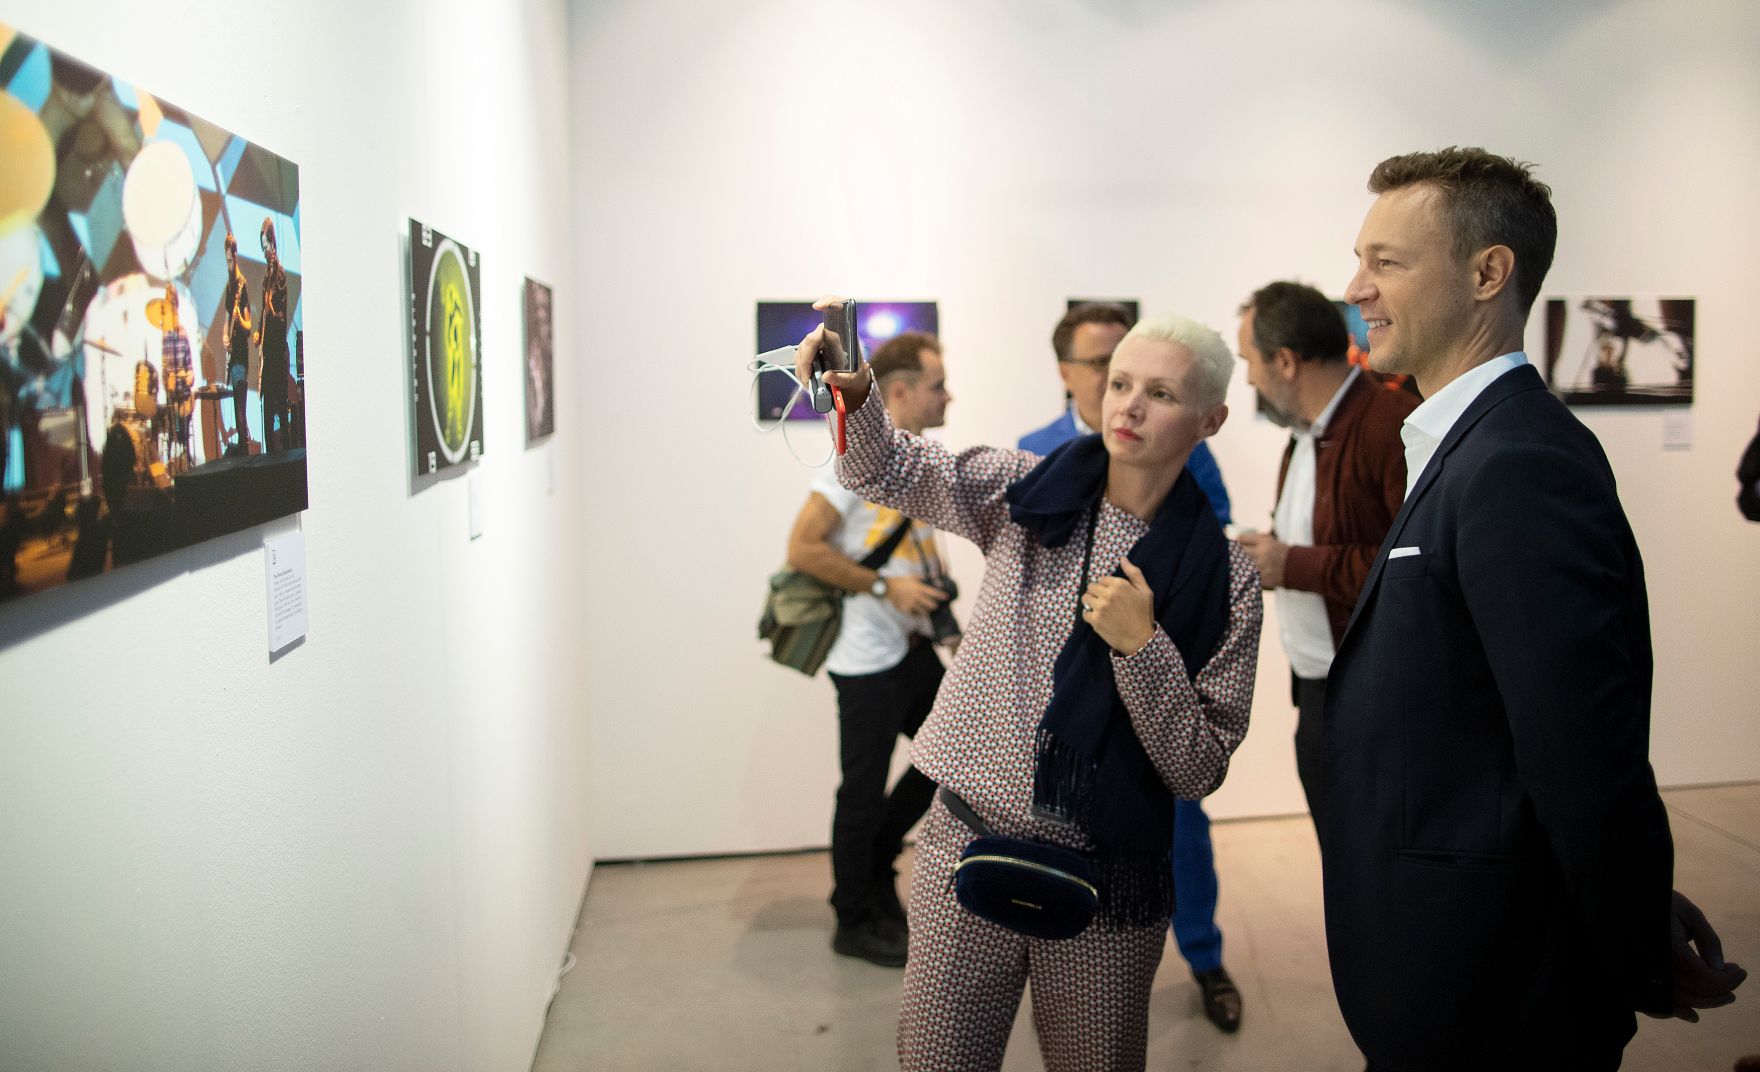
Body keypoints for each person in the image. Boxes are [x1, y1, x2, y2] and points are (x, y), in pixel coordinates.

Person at [1326, 146, 1745, 1070]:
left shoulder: (1517, 462)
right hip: (1454, 965)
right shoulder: (1465, 444)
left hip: (1490, 990)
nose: (1356, 285)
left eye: (1386, 260)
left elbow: (1581, 752)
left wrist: (1631, 937)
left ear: (1488, 272)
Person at [798, 303, 1261, 1071]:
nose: (1129, 406)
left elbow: (1198, 767)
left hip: (1108, 882)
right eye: (1119, 383)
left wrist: (1143, 649)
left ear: (1209, 421)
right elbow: (885, 468)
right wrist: (853, 384)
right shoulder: (1028, 491)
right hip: (964, 839)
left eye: (1163, 394)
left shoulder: (1229, 578)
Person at [1019, 301, 1245, 1032]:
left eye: (1143, 375)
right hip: (1063, 695)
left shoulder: (1185, 443)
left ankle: (1205, 957)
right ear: (1068, 374)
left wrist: (1144, 636)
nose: (1125, 393)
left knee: (1179, 827)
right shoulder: (1036, 449)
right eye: (1105, 369)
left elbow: (1213, 541)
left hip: (1157, 674)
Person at [784, 330, 955, 967]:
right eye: (939, 385)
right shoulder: (847, 463)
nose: (950, 396)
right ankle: (852, 916)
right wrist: (885, 585)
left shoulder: (910, 460)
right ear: (903, 391)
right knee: (861, 790)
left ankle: (877, 862)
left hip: (907, 648)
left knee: (952, 754)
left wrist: (944, 623)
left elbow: (921, 560)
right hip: (865, 658)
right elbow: (803, 549)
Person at [1231, 281, 1414, 835]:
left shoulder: (1389, 427)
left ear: (1285, 361)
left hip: (1379, 708)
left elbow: (1412, 570)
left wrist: (1291, 565)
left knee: (1376, 884)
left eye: (1249, 361)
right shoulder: (1306, 435)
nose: (1248, 379)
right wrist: (1269, 553)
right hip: (1321, 694)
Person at [254, 218, 289, 453]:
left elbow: (281, 318)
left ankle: (285, 455)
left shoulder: (280, 275)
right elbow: (264, 316)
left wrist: (272, 308)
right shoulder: (267, 277)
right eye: (262, 247)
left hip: (277, 354)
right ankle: (268, 456)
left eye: (266, 246)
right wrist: (258, 331)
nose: (264, 251)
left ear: (273, 244)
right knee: (266, 409)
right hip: (267, 355)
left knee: (280, 409)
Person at [220, 232, 252, 456]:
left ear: (236, 258)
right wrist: (224, 336)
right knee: (236, 407)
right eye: (226, 261)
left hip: (241, 353)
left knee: (241, 409)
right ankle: (242, 450)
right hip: (233, 356)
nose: (229, 265)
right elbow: (225, 319)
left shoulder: (242, 286)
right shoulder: (230, 287)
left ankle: (245, 451)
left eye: (230, 261)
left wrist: (239, 320)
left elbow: (248, 325)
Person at [158, 283, 194, 472]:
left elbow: (190, 367)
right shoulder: (165, 337)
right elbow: (165, 371)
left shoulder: (183, 334)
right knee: (172, 411)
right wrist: (169, 381)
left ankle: (185, 457)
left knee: (185, 410)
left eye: (172, 302)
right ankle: (173, 460)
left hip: (184, 392)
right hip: (172, 393)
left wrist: (188, 376)